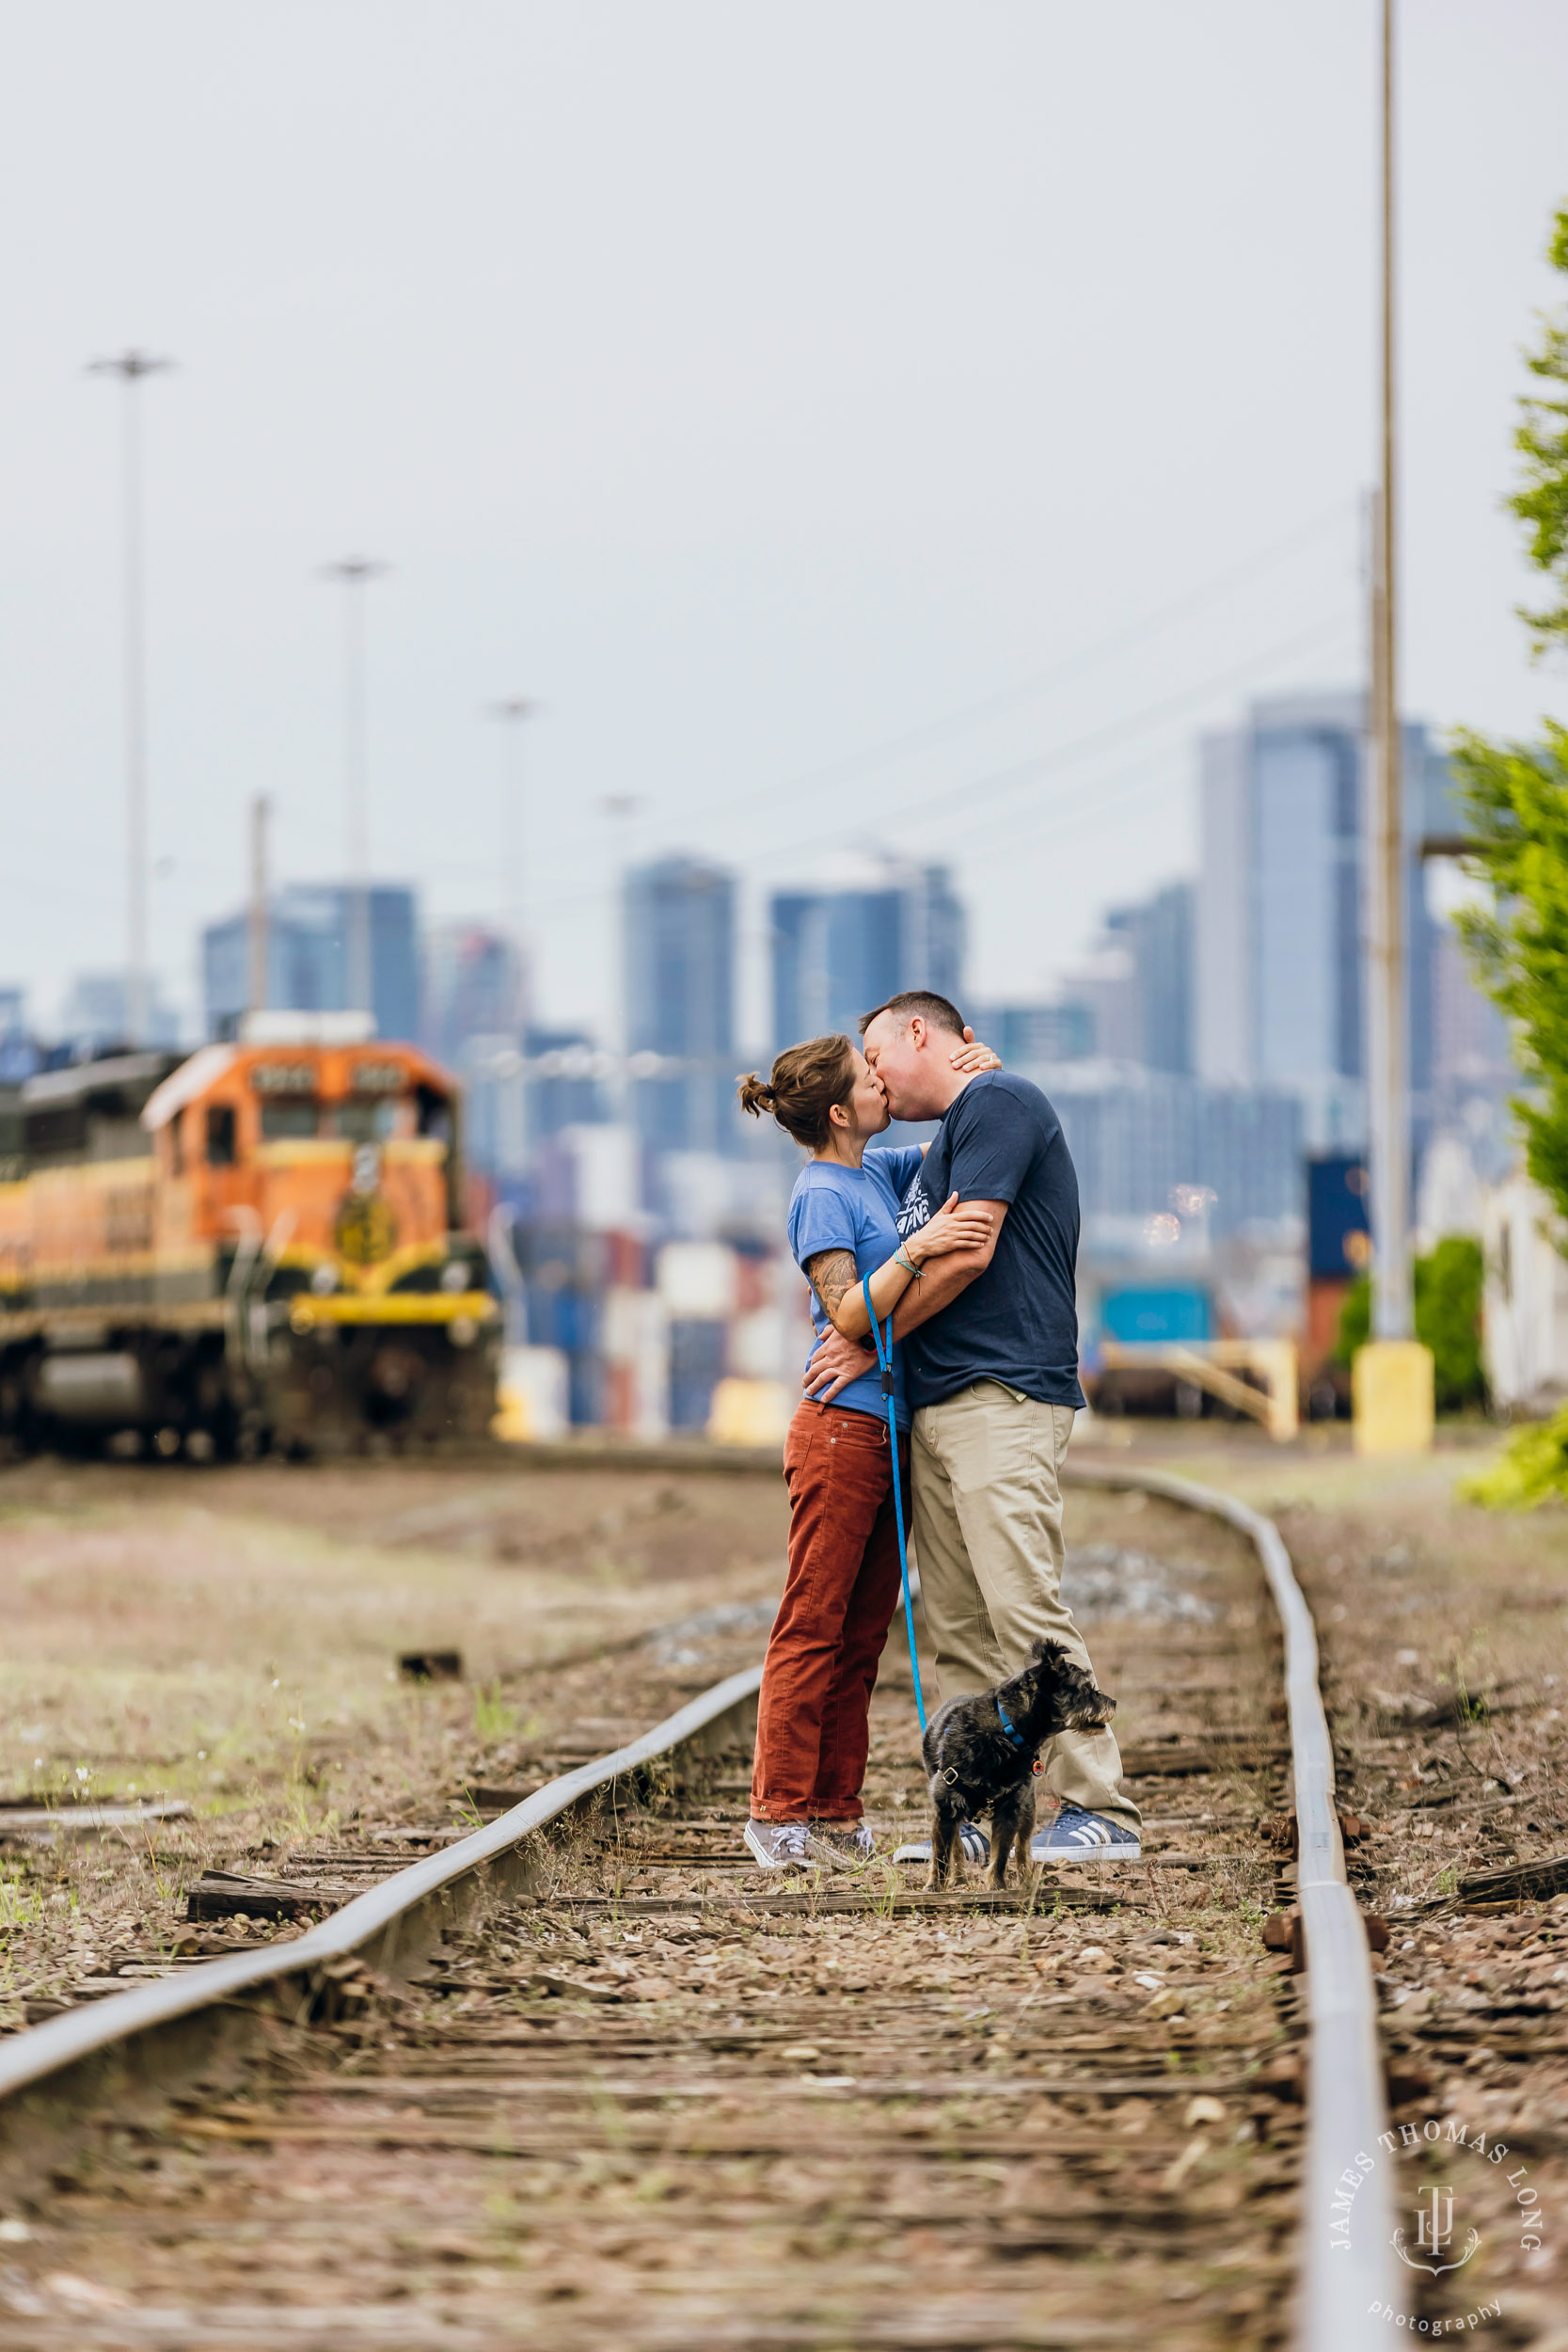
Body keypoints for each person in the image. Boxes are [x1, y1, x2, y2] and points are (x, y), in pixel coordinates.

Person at [804, 990, 1141, 1860]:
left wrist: (874, 1336)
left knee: (1021, 1604)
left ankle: (1099, 1809)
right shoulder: (925, 1161)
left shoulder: (1000, 1102)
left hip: (1003, 1394)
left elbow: (969, 1247)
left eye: (877, 1053)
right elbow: (844, 1177)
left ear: (920, 1032)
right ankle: (984, 1821)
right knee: (953, 1624)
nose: (871, 1072)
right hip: (938, 1406)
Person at [736, 1029, 998, 1868]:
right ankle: (778, 1812)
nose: (884, 1079)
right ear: (843, 1112)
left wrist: (974, 1077)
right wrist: (916, 1251)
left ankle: (837, 1815)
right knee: (812, 1625)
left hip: (888, 1430)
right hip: (839, 1428)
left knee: (863, 1635)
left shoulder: (873, 1175)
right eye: (869, 1077)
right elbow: (847, 1314)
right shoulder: (821, 1193)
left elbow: (951, 1143)